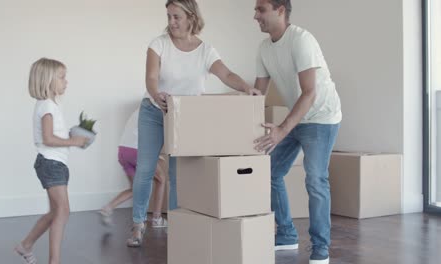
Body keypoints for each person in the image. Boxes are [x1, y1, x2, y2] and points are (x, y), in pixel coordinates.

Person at [126, 0, 260, 247]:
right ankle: (137, 224)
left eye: (176, 16)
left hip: (185, 117)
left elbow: (226, 74)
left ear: (190, 17)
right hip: (154, 112)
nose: (171, 22)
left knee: (179, 173)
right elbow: (152, 77)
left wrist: (246, 87)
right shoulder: (159, 44)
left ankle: (179, 223)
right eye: (168, 16)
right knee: (145, 169)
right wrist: (157, 95)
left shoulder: (205, 50)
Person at [252, 1, 342, 263]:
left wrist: (281, 129)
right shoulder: (264, 48)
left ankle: (321, 248)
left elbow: (310, 92)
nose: (255, 15)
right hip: (298, 115)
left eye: (261, 9)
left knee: (315, 179)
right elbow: (258, 95)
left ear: (280, 10)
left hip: (322, 116)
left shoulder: (301, 40)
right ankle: (287, 235)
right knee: (270, 171)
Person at [15, 58, 88, 264]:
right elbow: (47, 139)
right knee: (63, 211)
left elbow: (52, 134)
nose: (66, 81)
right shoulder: (47, 105)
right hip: (51, 163)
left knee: (56, 211)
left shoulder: (50, 104)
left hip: (54, 163)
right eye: (62, 77)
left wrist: (70, 135)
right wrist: (73, 141)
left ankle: (26, 245)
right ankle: (53, 261)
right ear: (48, 81)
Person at [99, 107, 168, 228]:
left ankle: (107, 208)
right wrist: (153, 155)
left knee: (134, 189)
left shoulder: (140, 110)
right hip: (137, 151)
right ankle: (157, 219)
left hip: (123, 151)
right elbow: (152, 136)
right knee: (161, 179)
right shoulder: (155, 111)